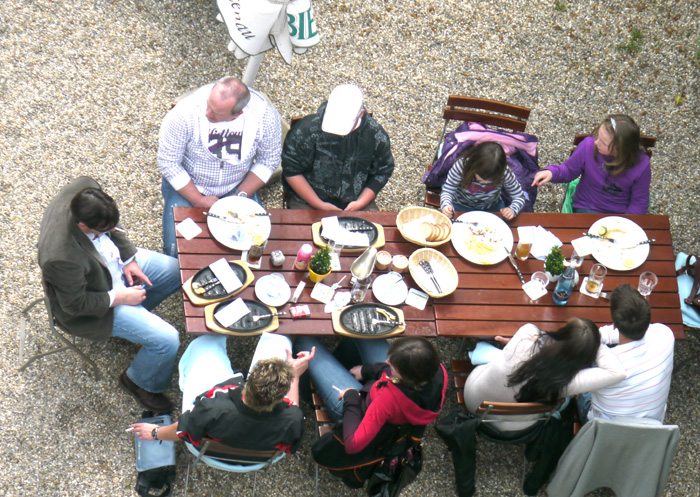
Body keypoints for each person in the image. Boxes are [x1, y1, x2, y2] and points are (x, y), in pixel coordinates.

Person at [38, 177, 181, 412]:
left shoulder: (84, 189)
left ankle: (139, 321)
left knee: (175, 271)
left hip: (112, 266)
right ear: (83, 226)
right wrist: (123, 298)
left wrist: (129, 259)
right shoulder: (61, 257)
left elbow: (113, 229)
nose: (108, 230)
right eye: (100, 231)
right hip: (98, 301)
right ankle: (139, 382)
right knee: (168, 340)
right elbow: (75, 305)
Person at [131, 333, 314, 458]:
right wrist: (295, 377)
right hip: (258, 459)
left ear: (247, 382)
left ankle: (186, 379)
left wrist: (155, 433)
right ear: (282, 396)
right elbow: (292, 417)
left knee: (205, 344)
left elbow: (182, 430)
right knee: (279, 340)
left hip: (212, 445)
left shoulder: (213, 407)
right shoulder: (294, 419)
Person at [158, 76, 282, 256]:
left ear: (237, 114)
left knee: (253, 246)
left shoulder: (265, 117)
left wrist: (239, 196)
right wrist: (198, 200)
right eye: (208, 105)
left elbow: (268, 160)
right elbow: (168, 162)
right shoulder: (184, 113)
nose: (207, 114)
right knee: (177, 251)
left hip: (237, 187)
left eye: (216, 113)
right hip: (191, 185)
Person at [463, 319, 626, 430]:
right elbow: (617, 373)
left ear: (563, 332)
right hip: (516, 426)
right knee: (565, 401)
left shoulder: (526, 335)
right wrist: (596, 341)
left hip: (474, 400)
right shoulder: (568, 381)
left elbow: (537, 333)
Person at [294, 336, 447, 454]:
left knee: (304, 341)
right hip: (375, 393)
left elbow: (353, 444)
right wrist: (365, 370)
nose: (387, 361)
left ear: (405, 377)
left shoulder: (387, 400)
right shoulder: (439, 372)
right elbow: (389, 374)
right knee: (358, 326)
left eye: (393, 365)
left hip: (353, 412)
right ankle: (340, 362)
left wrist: (351, 395)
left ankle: (308, 395)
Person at [281, 83, 395, 211]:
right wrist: (319, 205)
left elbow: (383, 170)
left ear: (361, 114)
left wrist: (361, 202)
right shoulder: (306, 130)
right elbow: (291, 169)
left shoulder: (375, 136)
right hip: (307, 200)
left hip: (356, 202)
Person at [578, 284, 675, 423]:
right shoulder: (665, 334)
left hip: (601, 431)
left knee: (582, 391)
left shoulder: (607, 369)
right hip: (653, 430)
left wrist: (590, 338)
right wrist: (600, 335)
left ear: (615, 325)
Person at [531, 114, 651, 214]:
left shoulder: (642, 164)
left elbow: (639, 202)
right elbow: (568, 170)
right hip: (587, 206)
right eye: (597, 136)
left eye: (603, 143)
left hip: (619, 212)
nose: (596, 142)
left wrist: (625, 224)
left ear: (620, 149)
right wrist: (551, 172)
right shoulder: (588, 146)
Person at [440, 141, 526, 220]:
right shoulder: (461, 166)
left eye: (492, 179)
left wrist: (512, 210)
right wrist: (446, 206)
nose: (486, 182)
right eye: (482, 177)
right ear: (474, 166)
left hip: (491, 207)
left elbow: (519, 196)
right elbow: (447, 191)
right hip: (461, 205)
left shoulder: (504, 171)